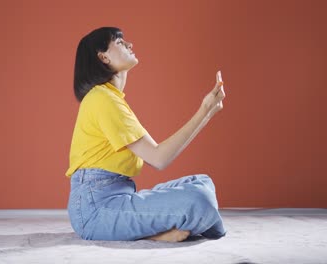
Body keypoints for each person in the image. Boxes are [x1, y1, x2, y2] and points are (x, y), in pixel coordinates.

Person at [66, 27, 227, 242]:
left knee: (202, 182)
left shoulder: (111, 99)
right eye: (120, 42)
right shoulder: (103, 99)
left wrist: (207, 112)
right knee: (200, 199)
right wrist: (204, 110)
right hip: (95, 210)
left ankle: (151, 230)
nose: (130, 45)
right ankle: (154, 232)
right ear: (103, 56)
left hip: (120, 196)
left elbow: (158, 156)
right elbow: (159, 158)